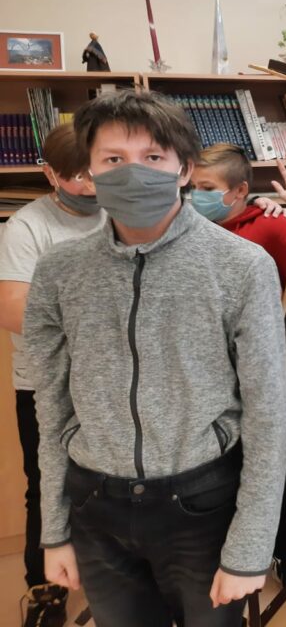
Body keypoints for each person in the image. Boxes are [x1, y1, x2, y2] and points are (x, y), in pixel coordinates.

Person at [22, 90, 286, 626]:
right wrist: (55, 529)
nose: (133, 172)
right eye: (113, 159)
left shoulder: (242, 266)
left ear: (184, 168)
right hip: (95, 504)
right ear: (90, 171)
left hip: (202, 503)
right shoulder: (59, 271)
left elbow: (267, 415)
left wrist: (250, 546)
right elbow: (50, 407)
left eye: (152, 157)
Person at [190, 143, 286, 596]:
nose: (195, 196)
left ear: (240, 191)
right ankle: (225, 560)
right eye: (192, 187)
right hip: (210, 382)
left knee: (280, 469)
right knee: (217, 473)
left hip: (271, 378)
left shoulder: (272, 228)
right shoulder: (186, 230)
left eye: (206, 188)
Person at [0, 125, 106, 627]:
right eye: (76, 176)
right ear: (49, 174)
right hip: (47, 384)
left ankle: (116, 574)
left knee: (115, 480)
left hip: (114, 379)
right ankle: (45, 591)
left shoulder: (121, 212)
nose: (88, 185)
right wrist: (101, 318)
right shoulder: (28, 227)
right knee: (47, 485)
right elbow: (12, 307)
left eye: (96, 172)